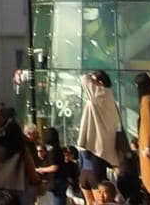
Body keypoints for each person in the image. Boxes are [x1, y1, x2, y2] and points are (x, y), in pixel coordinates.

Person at [76, 72, 120, 205]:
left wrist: (91, 75)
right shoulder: (110, 98)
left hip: (96, 149)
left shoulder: (100, 93)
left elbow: (84, 79)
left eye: (95, 80)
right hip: (100, 149)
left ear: (100, 83)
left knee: (98, 190)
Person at [36, 126, 68, 205]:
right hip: (61, 180)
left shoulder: (52, 151)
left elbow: (54, 167)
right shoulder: (58, 149)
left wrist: (41, 169)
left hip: (57, 181)